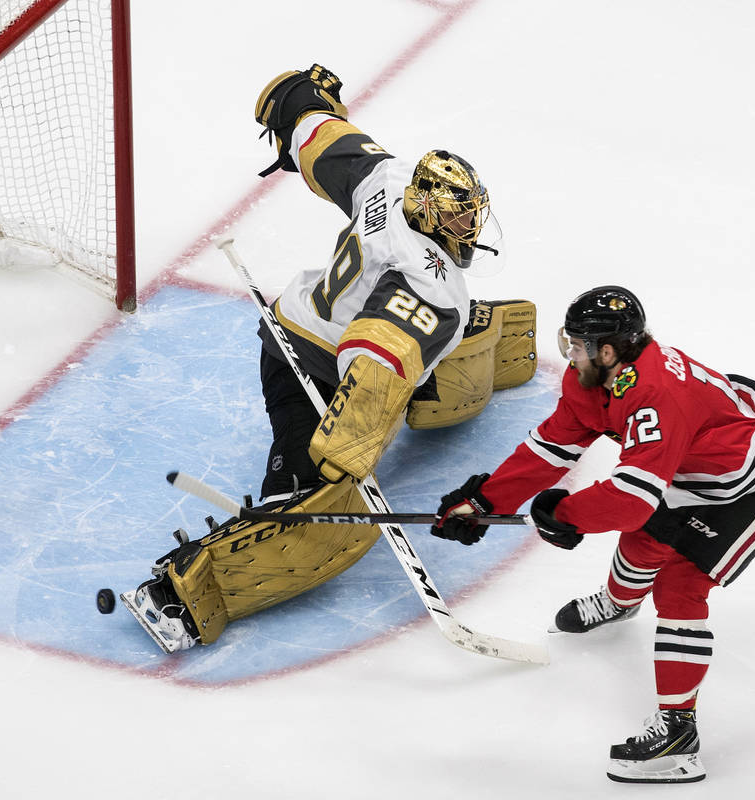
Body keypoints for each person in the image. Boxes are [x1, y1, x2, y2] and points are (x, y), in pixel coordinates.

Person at [121, 64, 536, 653]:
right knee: (311, 502)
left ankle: (478, 363)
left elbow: (324, 140)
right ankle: (183, 598)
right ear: (430, 212)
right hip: (310, 366)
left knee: (450, 339)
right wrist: (346, 448)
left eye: (472, 213)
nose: (469, 227)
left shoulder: (388, 180)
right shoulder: (429, 286)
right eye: (459, 217)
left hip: (307, 318)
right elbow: (378, 356)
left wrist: (300, 104)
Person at [432, 285, 755, 784]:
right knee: (640, 544)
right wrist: (484, 501)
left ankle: (678, 739)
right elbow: (554, 445)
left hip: (750, 486)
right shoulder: (597, 376)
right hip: (688, 468)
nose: (570, 353)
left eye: (579, 345)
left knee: (679, 586)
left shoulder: (654, 393)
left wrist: (566, 511)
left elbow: (630, 500)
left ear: (608, 351)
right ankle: (620, 602)